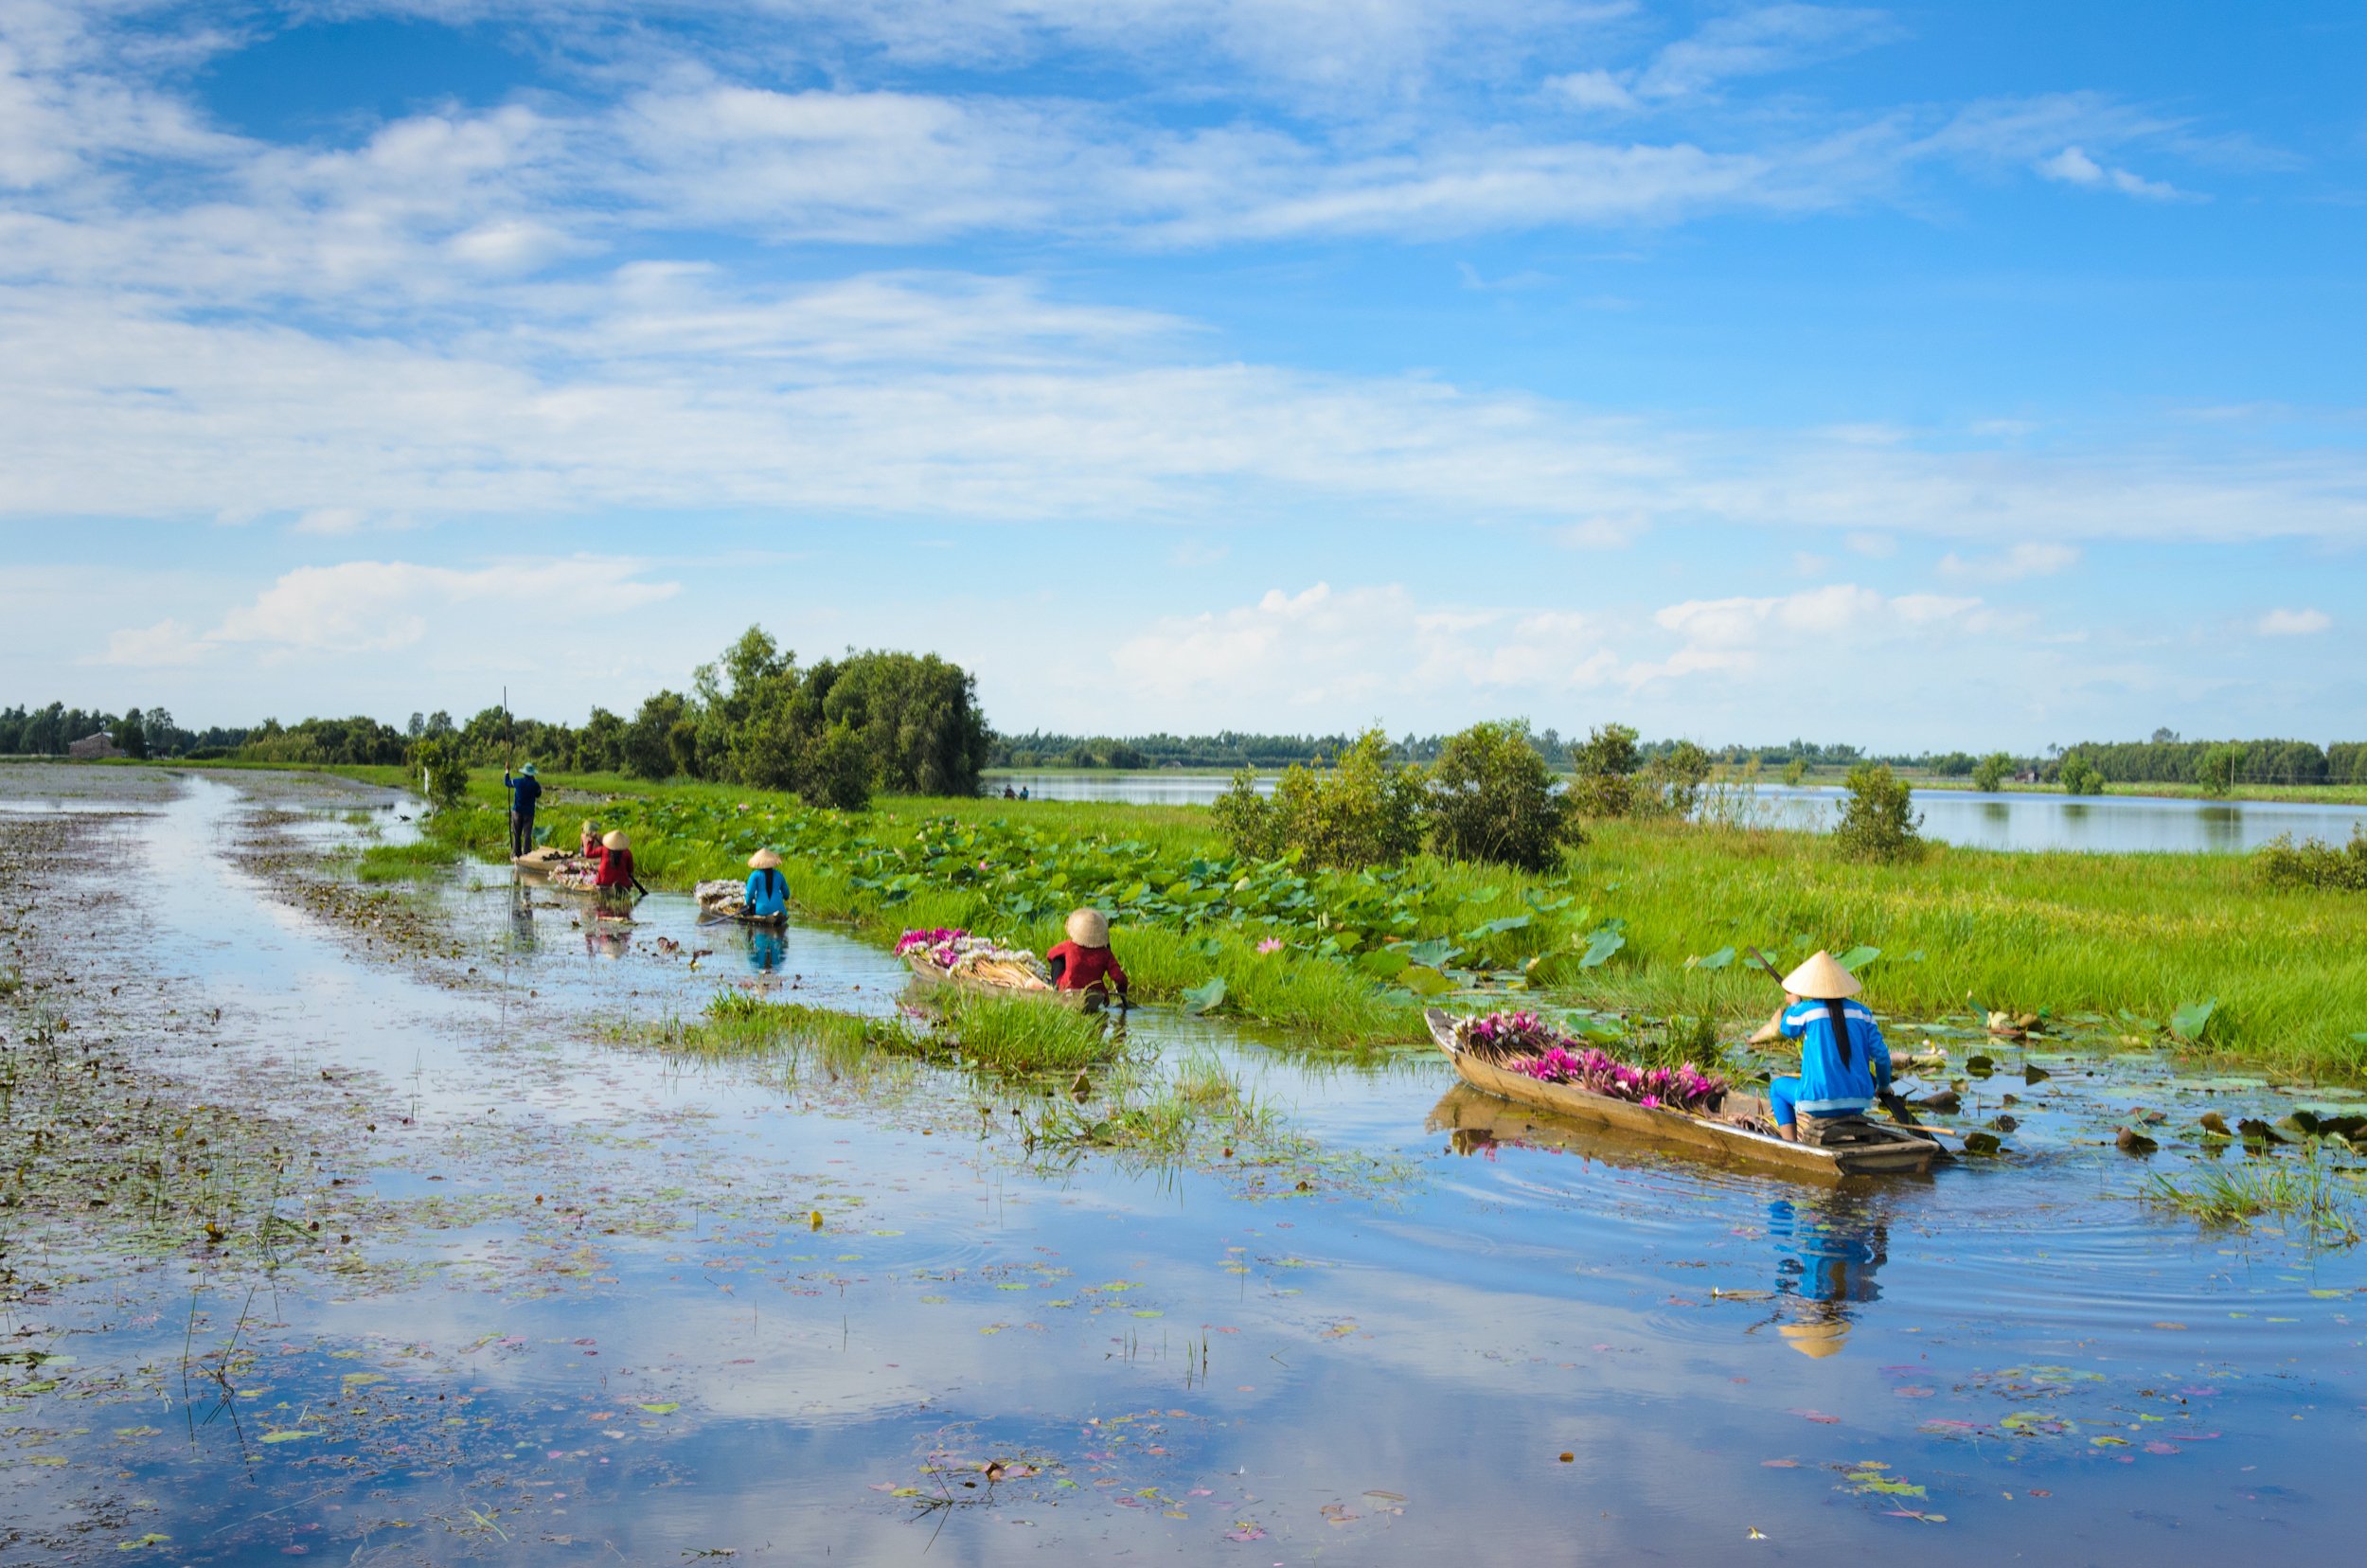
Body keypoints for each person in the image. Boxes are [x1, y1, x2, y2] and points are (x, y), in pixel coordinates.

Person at [1757, 951, 1892, 1144]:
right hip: (1860, 1102)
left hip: (1817, 1101)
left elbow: (1787, 1028)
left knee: (1777, 1088)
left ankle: (1790, 1145)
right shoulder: (1863, 1013)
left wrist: (1794, 1004)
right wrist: (1884, 1086)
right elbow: (1881, 1056)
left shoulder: (1807, 1011)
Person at [1045, 907, 1127, 1000]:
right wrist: (1123, 990)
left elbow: (1050, 954)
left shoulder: (1069, 946)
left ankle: (1056, 990)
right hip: (1096, 992)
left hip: (1068, 988)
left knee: (1058, 959)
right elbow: (1119, 977)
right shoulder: (1106, 954)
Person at [592, 828, 647, 915]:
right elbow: (630, 871)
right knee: (624, 907)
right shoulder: (627, 852)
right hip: (622, 884)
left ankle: (610, 891)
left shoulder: (603, 849)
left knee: (602, 907)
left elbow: (589, 854)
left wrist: (590, 841)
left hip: (603, 883)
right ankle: (618, 892)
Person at [504, 762, 542, 858]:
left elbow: (507, 783)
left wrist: (507, 771)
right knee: (527, 835)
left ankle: (516, 854)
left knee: (517, 834)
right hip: (529, 813)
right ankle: (527, 854)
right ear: (532, 774)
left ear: (524, 773)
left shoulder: (517, 781)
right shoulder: (535, 785)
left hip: (517, 811)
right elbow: (538, 794)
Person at [743, 847, 789, 920]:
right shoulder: (779, 875)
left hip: (762, 911)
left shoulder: (755, 875)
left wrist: (748, 905)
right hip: (780, 909)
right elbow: (787, 895)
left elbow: (750, 894)